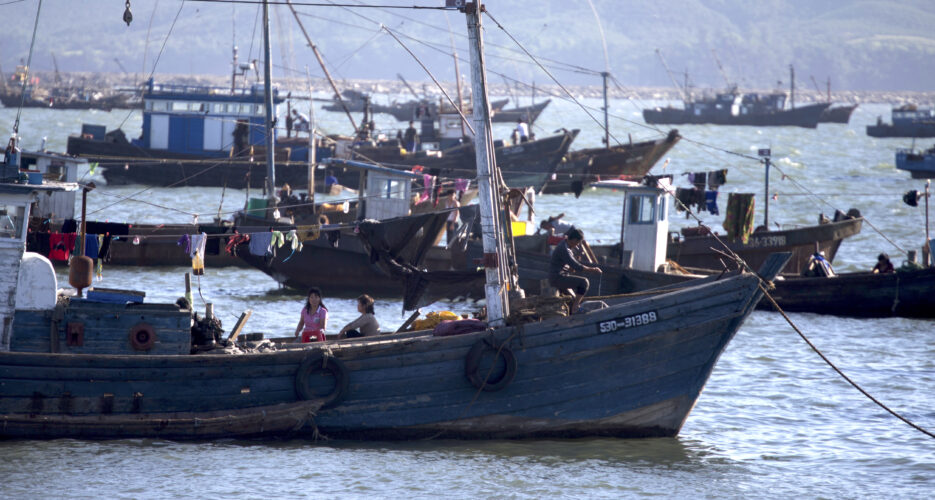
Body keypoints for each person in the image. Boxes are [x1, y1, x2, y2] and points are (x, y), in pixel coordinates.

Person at [549, 228, 601, 314]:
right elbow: (576, 266)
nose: (577, 245)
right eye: (578, 242)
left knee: (573, 299)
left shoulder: (566, 245)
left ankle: (573, 310)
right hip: (557, 278)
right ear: (574, 240)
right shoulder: (564, 249)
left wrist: (571, 267)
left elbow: (570, 265)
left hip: (561, 276)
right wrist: (593, 269)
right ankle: (575, 308)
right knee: (584, 282)